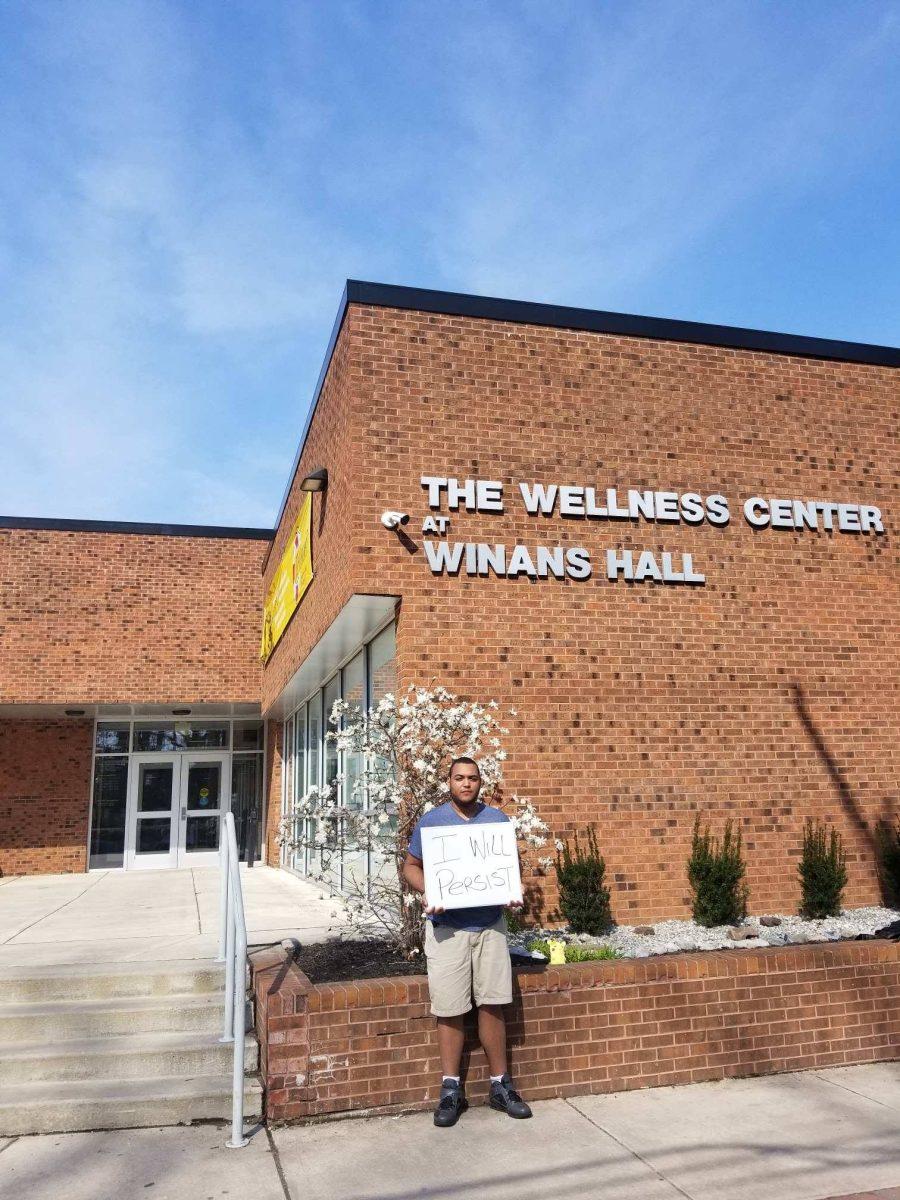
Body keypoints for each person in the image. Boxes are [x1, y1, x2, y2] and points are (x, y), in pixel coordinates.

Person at [403, 756, 533, 1127]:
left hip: (490, 925)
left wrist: (515, 888)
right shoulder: (432, 822)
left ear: (480, 783)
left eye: (472, 778)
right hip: (447, 928)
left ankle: (500, 1085)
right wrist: (431, 889)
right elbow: (410, 866)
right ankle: (450, 1090)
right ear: (449, 782)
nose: (466, 784)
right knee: (450, 1007)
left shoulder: (496, 821)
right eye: (459, 778)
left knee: (493, 1005)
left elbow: (510, 871)